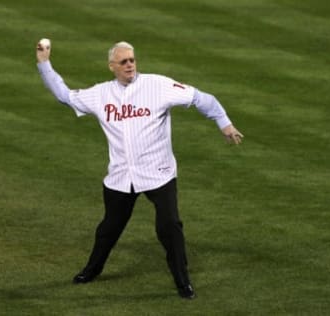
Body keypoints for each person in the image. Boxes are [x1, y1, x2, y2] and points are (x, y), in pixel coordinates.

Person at [36, 40, 243, 299]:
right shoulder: (100, 94)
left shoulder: (158, 86)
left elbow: (202, 98)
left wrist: (224, 123)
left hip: (159, 172)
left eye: (132, 60)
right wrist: (44, 63)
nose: (130, 65)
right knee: (109, 229)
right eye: (123, 61)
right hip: (121, 176)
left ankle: (183, 281)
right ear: (112, 66)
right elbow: (64, 96)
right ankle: (92, 269)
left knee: (169, 226)